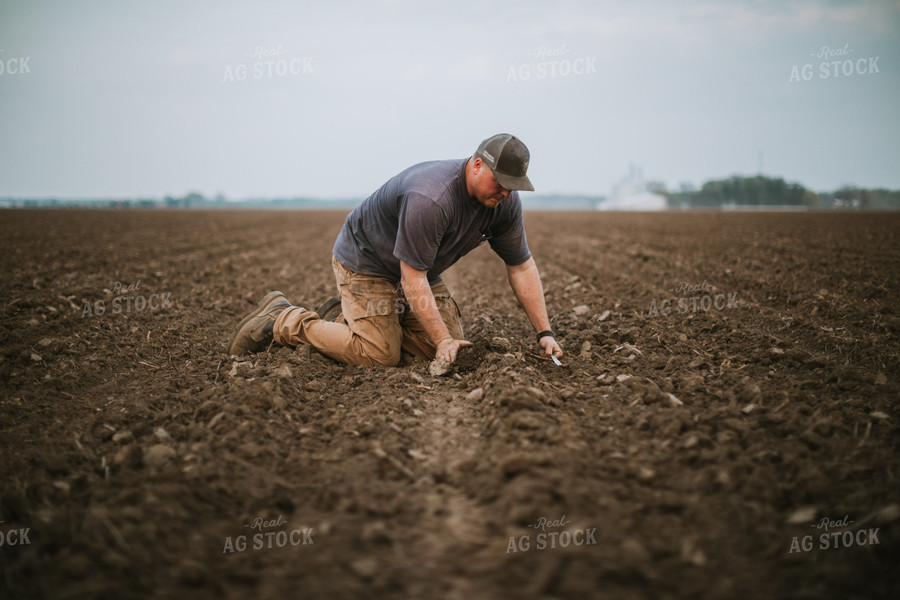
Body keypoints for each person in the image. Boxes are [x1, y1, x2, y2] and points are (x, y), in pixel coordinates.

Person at [227, 133, 564, 366]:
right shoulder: (432, 198)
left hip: (419, 268)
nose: (506, 193)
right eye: (501, 183)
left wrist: (544, 333)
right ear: (477, 166)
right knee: (380, 355)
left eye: (513, 186)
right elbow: (411, 278)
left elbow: (521, 266)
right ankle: (284, 320)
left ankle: (352, 323)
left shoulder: (503, 204)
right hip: (367, 262)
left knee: (444, 346)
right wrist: (442, 339)